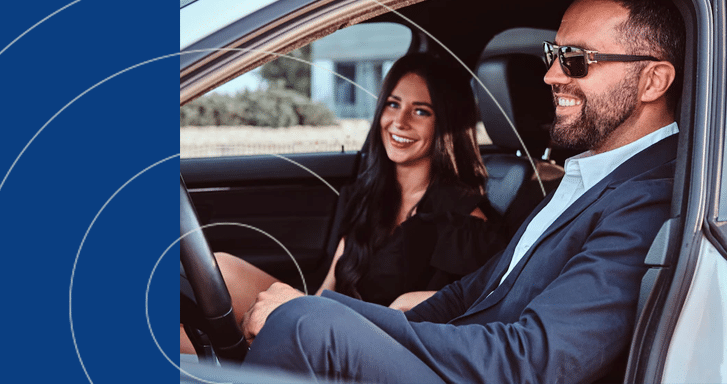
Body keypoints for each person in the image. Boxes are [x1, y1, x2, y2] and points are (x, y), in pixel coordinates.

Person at [239, 0, 685, 382]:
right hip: (476, 358)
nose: (551, 75)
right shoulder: (588, 177)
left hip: (497, 370)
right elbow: (469, 294)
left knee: (305, 324)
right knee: (305, 316)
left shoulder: (649, 196)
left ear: (653, 81)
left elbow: (533, 361)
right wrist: (361, 320)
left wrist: (328, 314)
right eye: (554, 53)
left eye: (576, 59)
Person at [181, 53, 509, 354]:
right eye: (393, 104)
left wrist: (304, 322)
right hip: (329, 323)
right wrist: (299, 314)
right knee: (217, 271)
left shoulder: (466, 223)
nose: (400, 121)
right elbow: (328, 289)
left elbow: (452, 322)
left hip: (369, 351)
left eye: (421, 111)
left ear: (447, 122)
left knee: (196, 345)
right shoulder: (370, 195)